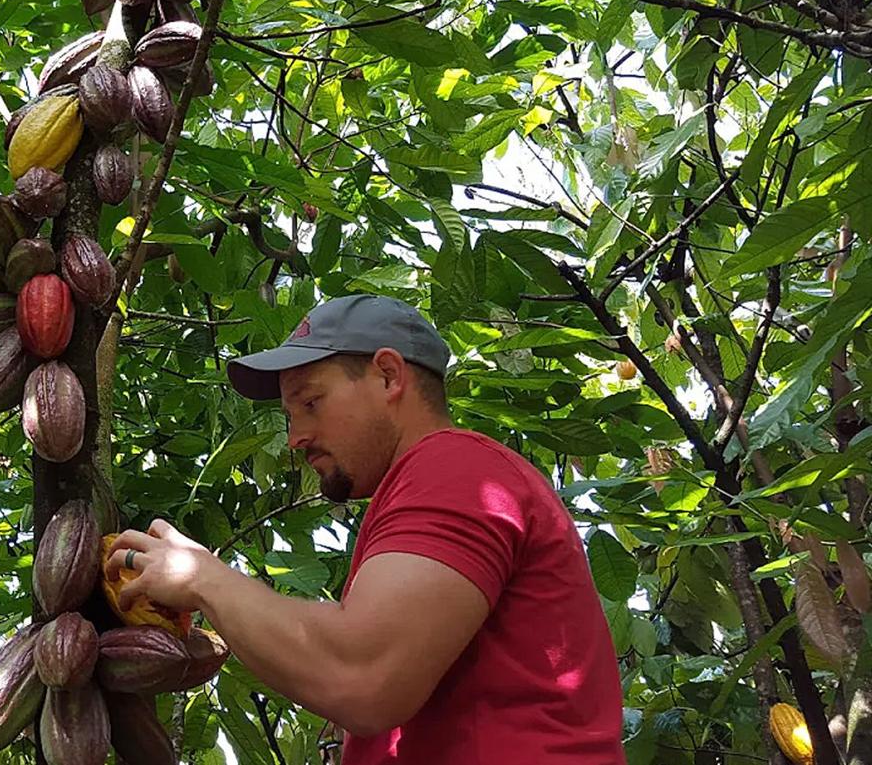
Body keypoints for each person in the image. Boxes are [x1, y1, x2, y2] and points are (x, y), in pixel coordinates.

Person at [105, 294, 626, 763]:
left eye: (310, 403)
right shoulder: (426, 489)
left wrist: (203, 578)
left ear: (388, 377)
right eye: (290, 415)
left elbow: (363, 677)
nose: (296, 437)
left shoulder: (456, 468)